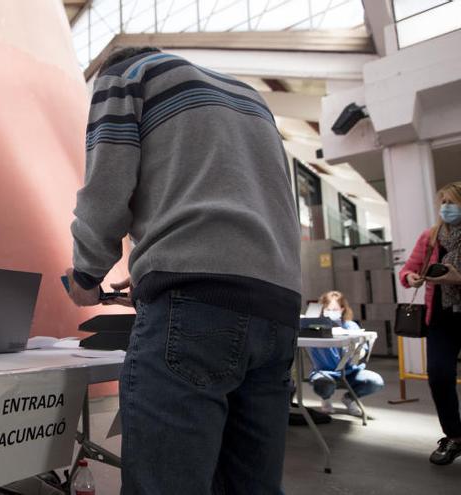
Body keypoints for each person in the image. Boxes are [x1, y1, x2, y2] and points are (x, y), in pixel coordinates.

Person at [64, 47, 301, 494]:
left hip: (193, 310)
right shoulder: (250, 98)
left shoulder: (124, 75)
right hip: (277, 307)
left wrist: (85, 277)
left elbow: (106, 193)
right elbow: (254, 198)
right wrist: (160, 262)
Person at [399, 181, 461, 466]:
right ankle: (454, 436)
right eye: (443, 203)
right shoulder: (430, 236)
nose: (446, 208)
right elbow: (408, 269)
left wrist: (457, 279)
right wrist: (410, 277)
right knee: (438, 375)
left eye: (453, 202)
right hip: (440, 319)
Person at [308, 291, 383, 415]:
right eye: (328, 309)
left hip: (350, 372)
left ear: (342, 309)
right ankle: (325, 399)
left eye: (335, 309)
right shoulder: (315, 327)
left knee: (375, 381)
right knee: (323, 383)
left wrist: (359, 351)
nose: (331, 312)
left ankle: (349, 399)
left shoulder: (350, 326)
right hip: (325, 372)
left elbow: (362, 348)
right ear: (322, 309)